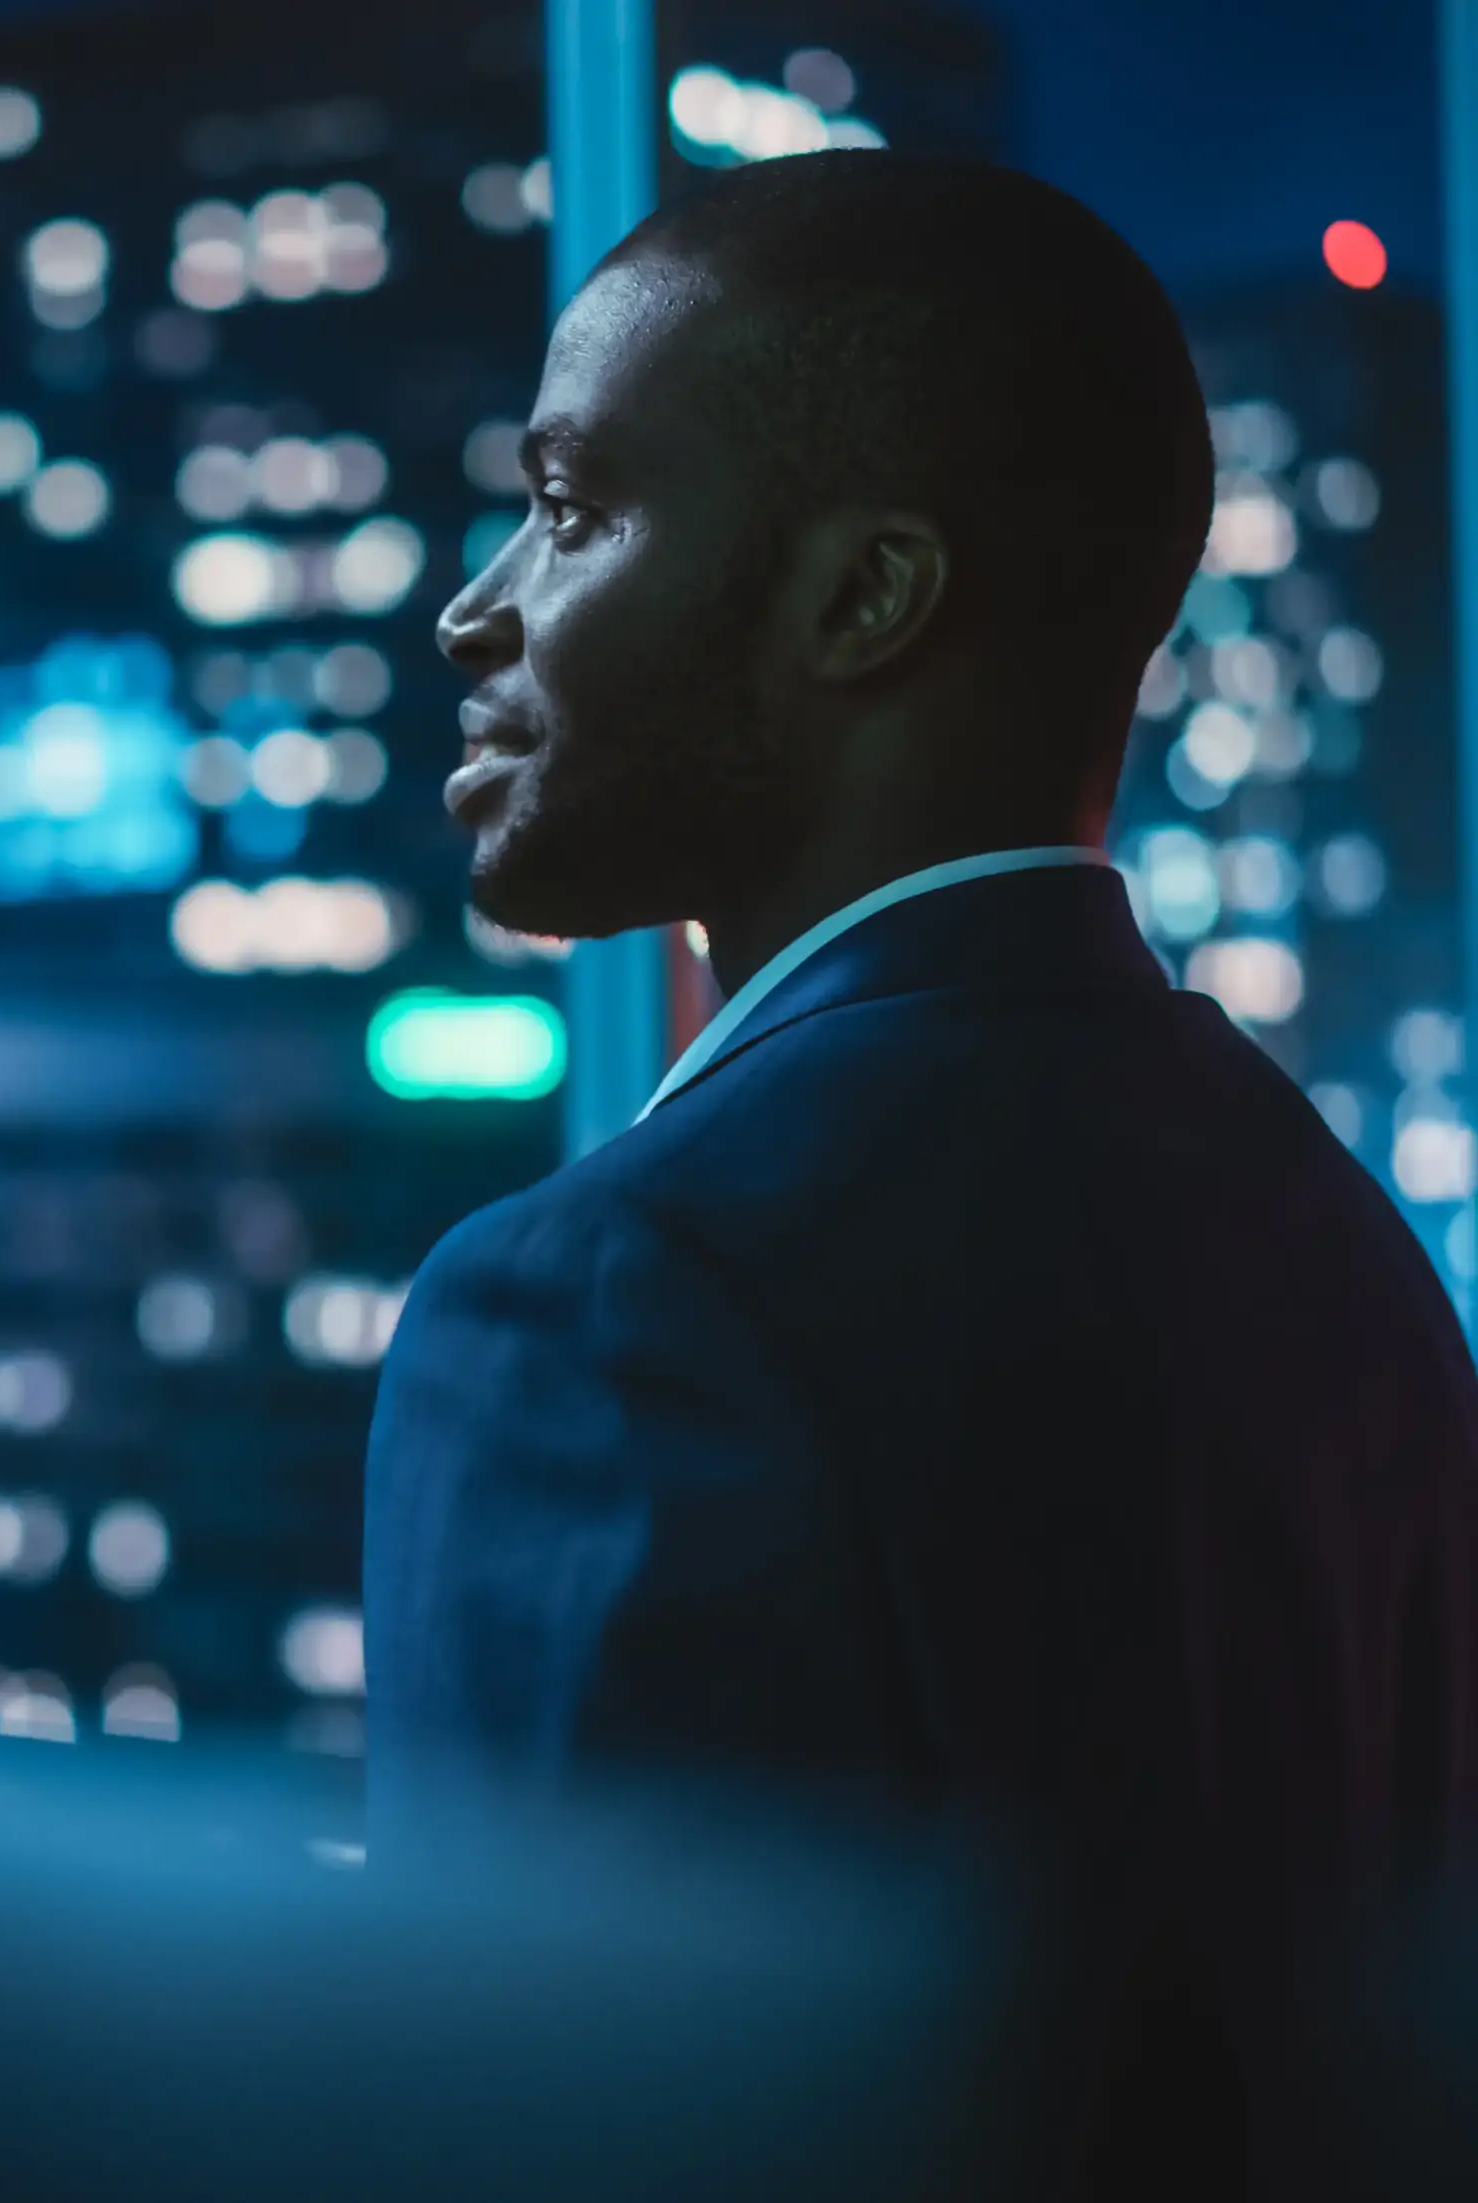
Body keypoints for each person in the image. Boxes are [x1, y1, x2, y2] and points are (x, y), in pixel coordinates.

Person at [362, 151, 1478, 2197]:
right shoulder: (1330, 1242)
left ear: (863, 599)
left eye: (574, 507)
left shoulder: (613, 1305)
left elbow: (542, 2135)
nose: (475, 607)